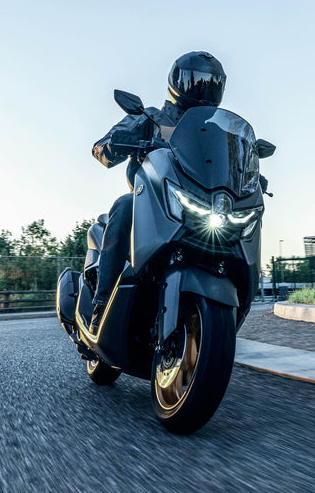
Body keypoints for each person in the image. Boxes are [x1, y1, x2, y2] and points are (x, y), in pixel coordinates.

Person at [89, 51, 226, 333]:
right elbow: (101, 149)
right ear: (178, 82)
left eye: (210, 83)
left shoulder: (213, 132)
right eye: (197, 80)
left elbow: (227, 164)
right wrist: (117, 141)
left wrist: (250, 171)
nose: (202, 88)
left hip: (197, 207)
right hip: (151, 202)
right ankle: (102, 305)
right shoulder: (151, 118)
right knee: (124, 205)